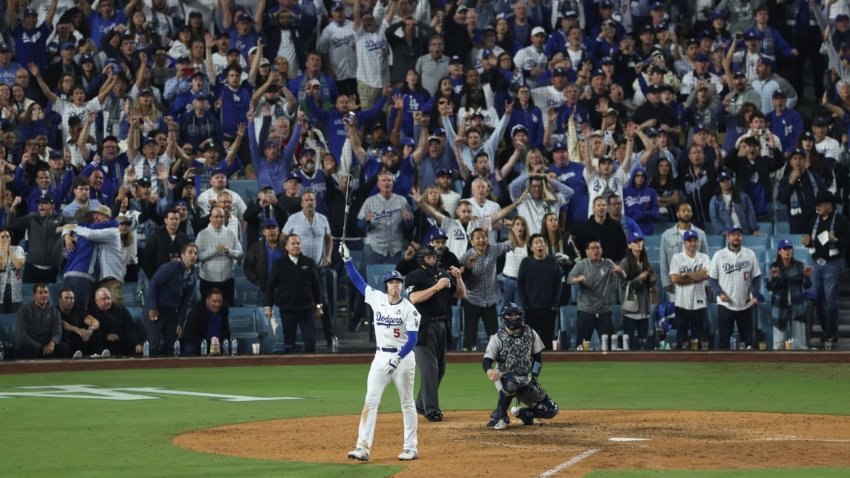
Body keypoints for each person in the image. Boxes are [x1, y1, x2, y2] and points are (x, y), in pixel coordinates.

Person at [340, 243, 420, 462]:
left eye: (398, 282)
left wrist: (398, 357)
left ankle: (411, 447)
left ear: (402, 286)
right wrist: (348, 260)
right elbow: (358, 281)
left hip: (403, 358)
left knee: (406, 402)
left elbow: (413, 339)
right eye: (391, 282)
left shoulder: (409, 309)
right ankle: (362, 447)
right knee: (370, 401)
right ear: (386, 286)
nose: (395, 286)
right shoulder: (377, 298)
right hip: (380, 357)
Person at [406, 244, 466, 423]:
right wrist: (437, 287)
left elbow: (461, 295)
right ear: (422, 259)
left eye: (434, 257)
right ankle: (431, 409)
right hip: (423, 326)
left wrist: (458, 277)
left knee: (439, 369)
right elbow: (414, 298)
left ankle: (421, 404)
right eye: (429, 257)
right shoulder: (414, 276)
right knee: (429, 369)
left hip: (442, 325)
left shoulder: (444, 274)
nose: (432, 259)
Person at [482, 303, 559, 430]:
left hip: (524, 378)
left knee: (551, 409)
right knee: (512, 382)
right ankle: (500, 416)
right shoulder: (497, 337)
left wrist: (534, 376)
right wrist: (489, 370)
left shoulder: (530, 333)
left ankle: (524, 414)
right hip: (504, 376)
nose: (513, 318)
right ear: (504, 318)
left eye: (515, 315)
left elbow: (538, 359)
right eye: (510, 315)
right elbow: (487, 360)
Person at [282, 191, 336, 347]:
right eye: (306, 200)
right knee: (303, 302)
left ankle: (330, 338)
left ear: (316, 202)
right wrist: (291, 257)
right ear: (301, 203)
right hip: (300, 269)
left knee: (324, 302)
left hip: (318, 267)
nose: (309, 202)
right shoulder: (293, 219)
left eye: (312, 200)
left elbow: (329, 239)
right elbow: (283, 238)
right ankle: (300, 340)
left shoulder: (323, 219)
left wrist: (328, 256)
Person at [802, 192, 849, 348]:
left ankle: (832, 333)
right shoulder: (813, 220)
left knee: (830, 300)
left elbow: (847, 240)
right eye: (818, 204)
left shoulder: (841, 220)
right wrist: (807, 243)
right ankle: (826, 330)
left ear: (830, 205)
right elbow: (811, 242)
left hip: (833, 264)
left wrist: (836, 240)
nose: (818, 207)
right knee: (817, 299)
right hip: (815, 262)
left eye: (821, 204)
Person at [264, 234, 323, 354]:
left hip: (306, 309)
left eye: (298, 243)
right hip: (287, 309)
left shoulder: (309, 262)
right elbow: (270, 286)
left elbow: (316, 286)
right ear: (286, 247)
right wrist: (268, 306)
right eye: (293, 243)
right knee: (289, 344)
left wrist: (319, 306)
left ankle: (312, 368)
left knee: (310, 341)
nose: (296, 246)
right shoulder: (278, 264)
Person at [459, 228, 514, 352]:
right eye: (477, 238)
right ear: (472, 242)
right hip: (472, 300)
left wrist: (512, 228)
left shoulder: (493, 250)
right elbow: (459, 277)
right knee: (470, 337)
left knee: (494, 335)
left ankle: (495, 359)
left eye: (483, 237)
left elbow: (512, 243)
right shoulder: (466, 256)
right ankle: (468, 357)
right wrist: (467, 267)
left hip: (490, 300)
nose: (481, 240)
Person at [708, 226, 763, 350]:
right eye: (733, 235)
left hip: (745, 304)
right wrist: (719, 293)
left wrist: (755, 295)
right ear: (728, 237)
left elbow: (756, 277)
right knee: (724, 341)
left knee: (748, 342)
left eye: (738, 235)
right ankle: (724, 368)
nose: (736, 237)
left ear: (742, 237)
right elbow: (712, 278)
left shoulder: (750, 254)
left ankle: (748, 367)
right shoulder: (719, 255)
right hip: (725, 305)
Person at [567, 238, 624, 347]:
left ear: (601, 250)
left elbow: (623, 276)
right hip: (586, 310)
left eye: (597, 248)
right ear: (587, 251)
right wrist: (577, 279)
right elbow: (569, 279)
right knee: (582, 345)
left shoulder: (608, 263)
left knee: (610, 345)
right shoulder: (582, 265)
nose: (595, 251)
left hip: (604, 310)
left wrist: (620, 272)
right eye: (592, 248)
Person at [146, 243, 198, 356]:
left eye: (195, 253)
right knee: (153, 345)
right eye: (190, 252)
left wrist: (180, 322)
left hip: (172, 313)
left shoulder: (193, 277)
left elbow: (185, 302)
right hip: (157, 310)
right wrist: (153, 307)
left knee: (173, 347)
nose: (193, 256)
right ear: (182, 255)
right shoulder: (170, 267)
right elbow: (153, 284)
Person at [5, 195, 67, 283]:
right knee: (29, 296)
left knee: (49, 296)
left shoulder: (60, 217)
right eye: (39, 203)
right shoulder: (32, 217)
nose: (41, 205)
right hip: (32, 269)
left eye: (44, 203)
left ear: (52, 206)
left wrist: (66, 230)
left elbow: (75, 225)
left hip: (53, 270)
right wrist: (13, 206)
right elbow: (11, 223)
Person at [516, 234, 563, 349]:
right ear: (531, 247)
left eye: (541, 242)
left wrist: (554, 305)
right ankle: (531, 366)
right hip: (531, 309)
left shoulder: (553, 262)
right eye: (536, 243)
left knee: (547, 342)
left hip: (549, 309)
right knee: (531, 343)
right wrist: (525, 305)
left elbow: (558, 284)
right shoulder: (526, 262)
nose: (539, 245)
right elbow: (520, 284)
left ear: (545, 245)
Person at [765, 240, 812, 351]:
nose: (788, 252)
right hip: (780, 308)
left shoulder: (800, 266)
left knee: (800, 344)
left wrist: (806, 277)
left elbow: (807, 286)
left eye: (789, 249)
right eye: (785, 249)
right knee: (779, 344)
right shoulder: (773, 267)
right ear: (779, 251)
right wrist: (774, 278)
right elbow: (769, 287)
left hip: (797, 308)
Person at [669, 230, 711, 350]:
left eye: (694, 241)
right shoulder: (677, 258)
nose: (692, 243)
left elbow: (706, 275)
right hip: (682, 303)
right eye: (689, 241)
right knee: (681, 339)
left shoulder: (704, 257)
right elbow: (675, 279)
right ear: (684, 243)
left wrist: (687, 274)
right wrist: (697, 277)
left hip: (699, 303)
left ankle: (697, 366)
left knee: (698, 339)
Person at [659, 203, 709, 301]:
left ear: (692, 213)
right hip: (676, 283)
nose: (686, 213)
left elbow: (706, 258)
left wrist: (707, 283)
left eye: (689, 211)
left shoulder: (700, 234)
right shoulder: (667, 235)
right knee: (677, 313)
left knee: (696, 312)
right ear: (677, 214)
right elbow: (663, 260)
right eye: (683, 211)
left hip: (696, 283)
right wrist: (666, 282)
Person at [196, 205, 243, 305]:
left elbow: (240, 254)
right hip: (208, 281)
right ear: (210, 218)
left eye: (221, 217)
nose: (219, 219)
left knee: (227, 311)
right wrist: (215, 251)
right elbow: (197, 257)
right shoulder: (202, 234)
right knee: (206, 311)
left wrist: (228, 251)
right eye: (216, 217)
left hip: (227, 281)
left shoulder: (231, 233)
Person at [619, 232, 656, 351]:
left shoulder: (646, 261)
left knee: (643, 342)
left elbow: (651, 284)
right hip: (630, 307)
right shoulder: (625, 262)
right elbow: (624, 285)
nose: (639, 244)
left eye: (640, 242)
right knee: (628, 342)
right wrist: (639, 279)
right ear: (629, 245)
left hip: (644, 306)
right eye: (635, 242)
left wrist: (652, 280)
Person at [15, 283, 70, 359]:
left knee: (64, 347)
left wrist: (52, 343)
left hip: (48, 346)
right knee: (26, 349)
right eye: (40, 293)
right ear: (34, 295)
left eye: (46, 292)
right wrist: (40, 347)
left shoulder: (54, 311)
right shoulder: (24, 310)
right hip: (31, 346)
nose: (44, 295)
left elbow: (57, 332)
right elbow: (22, 335)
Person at [88, 288, 143, 356]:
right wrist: (106, 336)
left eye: (109, 298)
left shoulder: (120, 309)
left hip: (121, 343)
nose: (107, 301)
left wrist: (137, 343)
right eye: (104, 299)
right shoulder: (91, 313)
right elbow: (90, 332)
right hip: (103, 345)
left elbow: (131, 328)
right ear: (96, 301)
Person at [244, 219, 284, 302]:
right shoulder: (256, 247)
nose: (271, 231)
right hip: (263, 289)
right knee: (263, 314)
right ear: (264, 232)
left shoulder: (286, 247)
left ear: (279, 231)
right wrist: (257, 282)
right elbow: (247, 266)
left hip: (282, 289)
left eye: (274, 228)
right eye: (268, 228)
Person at [181, 288, 231, 355]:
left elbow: (226, 331)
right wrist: (208, 343)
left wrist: (220, 342)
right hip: (200, 342)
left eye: (220, 301)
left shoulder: (224, 309)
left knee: (233, 347)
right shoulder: (197, 311)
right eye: (214, 301)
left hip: (219, 343)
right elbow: (189, 335)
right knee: (190, 349)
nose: (217, 304)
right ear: (207, 300)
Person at [58, 288, 104, 358]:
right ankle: (73, 356)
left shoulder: (77, 310)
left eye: (72, 298)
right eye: (66, 298)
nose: (70, 300)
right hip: (65, 339)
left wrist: (90, 330)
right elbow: (61, 323)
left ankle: (99, 355)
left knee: (96, 332)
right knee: (69, 334)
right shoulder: (55, 311)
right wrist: (77, 329)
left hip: (80, 338)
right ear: (60, 300)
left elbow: (95, 322)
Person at [0, 228, 25, 313]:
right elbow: (1, 266)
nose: (5, 238)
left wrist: (9, 250)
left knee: (15, 319)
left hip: (14, 289)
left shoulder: (18, 249)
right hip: (0, 289)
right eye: (2, 236)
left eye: (7, 236)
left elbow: (18, 265)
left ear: (11, 238)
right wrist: (4, 250)